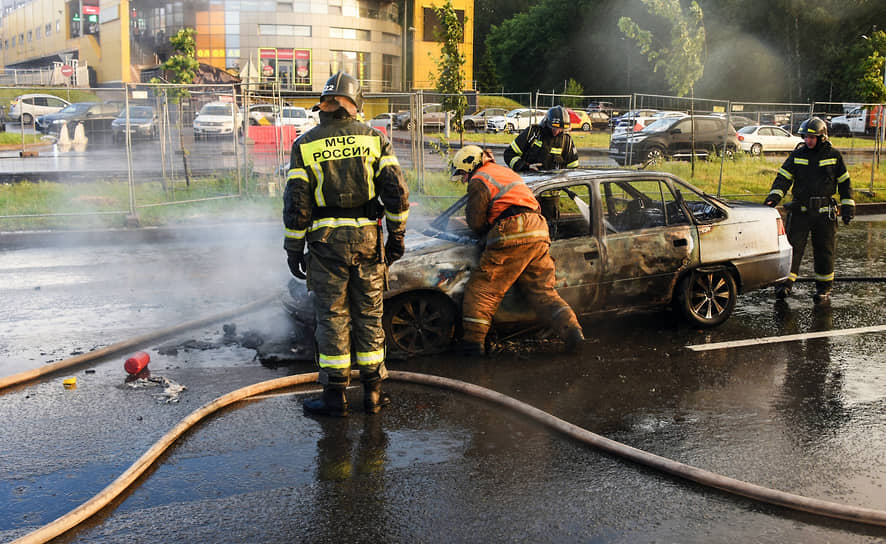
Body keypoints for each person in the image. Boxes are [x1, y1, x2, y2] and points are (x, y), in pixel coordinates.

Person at [283, 72, 410, 417]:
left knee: (333, 318)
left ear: (324, 106)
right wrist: (396, 235)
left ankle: (334, 397)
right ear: (355, 105)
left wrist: (293, 247)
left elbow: (297, 203)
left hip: (325, 245)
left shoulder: (305, 144)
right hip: (367, 240)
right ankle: (373, 395)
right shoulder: (375, 139)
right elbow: (396, 193)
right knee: (369, 314)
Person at [451, 144, 584, 355]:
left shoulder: (479, 179)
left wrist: (486, 234)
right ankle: (573, 332)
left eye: (462, 174)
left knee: (483, 290)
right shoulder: (504, 172)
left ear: (470, 165)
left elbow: (476, 221)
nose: (463, 179)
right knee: (542, 290)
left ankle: (472, 345)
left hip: (514, 229)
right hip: (538, 228)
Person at [764, 116, 854, 304]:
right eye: (805, 137)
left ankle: (823, 289)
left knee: (824, 251)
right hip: (801, 211)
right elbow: (783, 178)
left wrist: (848, 207)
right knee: (792, 249)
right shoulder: (798, 155)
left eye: (811, 137)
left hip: (825, 214)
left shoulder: (834, 156)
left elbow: (845, 183)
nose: (808, 140)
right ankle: (784, 285)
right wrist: (774, 197)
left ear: (822, 137)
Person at [503, 105, 580, 172]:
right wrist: (525, 167)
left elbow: (573, 166)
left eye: (560, 129)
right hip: (528, 180)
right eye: (554, 128)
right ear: (546, 123)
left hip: (553, 183)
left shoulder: (566, 140)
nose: (556, 132)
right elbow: (509, 154)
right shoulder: (533, 133)